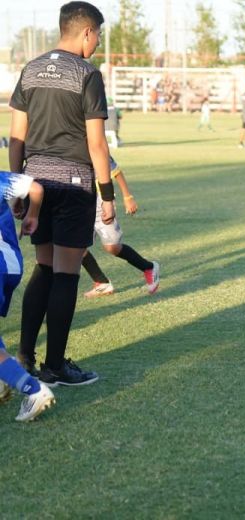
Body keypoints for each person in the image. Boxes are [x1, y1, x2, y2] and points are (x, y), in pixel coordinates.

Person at [9, 1, 113, 385]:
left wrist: (18, 184)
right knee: (67, 275)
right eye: (98, 34)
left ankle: (23, 357)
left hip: (36, 184)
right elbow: (97, 145)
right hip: (73, 186)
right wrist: (108, 195)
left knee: (45, 267)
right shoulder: (87, 74)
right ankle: (55, 367)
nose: (98, 42)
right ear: (86, 31)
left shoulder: (31, 68)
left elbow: (16, 135)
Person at [0, 171, 56, 421]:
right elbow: (36, 188)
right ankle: (3, 377)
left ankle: (33, 390)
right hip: (11, 264)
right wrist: (32, 215)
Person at [81, 156, 160, 298]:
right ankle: (101, 282)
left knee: (112, 247)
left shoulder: (94, 143)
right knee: (76, 247)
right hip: (78, 202)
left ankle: (148, 267)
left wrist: (127, 197)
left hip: (101, 202)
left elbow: (116, 172)